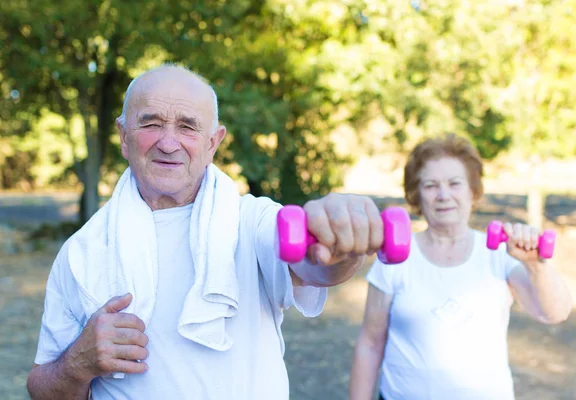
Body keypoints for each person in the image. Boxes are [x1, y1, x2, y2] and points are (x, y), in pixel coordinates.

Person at [26, 64, 388, 400]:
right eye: (151, 123)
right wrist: (78, 364)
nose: (168, 143)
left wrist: (343, 246)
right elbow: (42, 388)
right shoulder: (82, 251)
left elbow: (315, 268)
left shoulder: (251, 220)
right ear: (123, 136)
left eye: (187, 126)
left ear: (213, 142)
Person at [349, 134, 572, 400]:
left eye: (454, 183)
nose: (443, 195)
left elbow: (555, 313)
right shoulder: (395, 259)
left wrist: (536, 266)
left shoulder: (500, 255)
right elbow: (370, 344)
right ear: (417, 194)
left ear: (472, 190)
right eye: (431, 185)